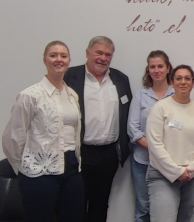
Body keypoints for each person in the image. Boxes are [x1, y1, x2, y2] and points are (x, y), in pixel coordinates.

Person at [2, 41, 84, 222]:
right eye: (53, 55)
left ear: (69, 61)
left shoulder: (72, 95)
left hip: (71, 167)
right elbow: (13, 136)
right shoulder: (30, 95)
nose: (59, 59)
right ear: (45, 60)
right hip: (40, 172)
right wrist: (23, 166)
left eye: (63, 56)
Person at [63, 36, 133, 222]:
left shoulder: (120, 79)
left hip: (109, 154)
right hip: (79, 152)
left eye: (108, 54)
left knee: (100, 204)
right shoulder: (70, 76)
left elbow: (127, 112)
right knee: (75, 203)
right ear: (87, 53)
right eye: (99, 53)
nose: (103, 58)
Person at [146, 65, 194, 222]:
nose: (183, 82)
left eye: (187, 78)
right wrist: (176, 171)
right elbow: (155, 144)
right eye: (179, 78)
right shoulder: (160, 108)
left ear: (193, 83)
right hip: (163, 175)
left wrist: (191, 169)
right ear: (172, 82)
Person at [128, 50, 174, 222]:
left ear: (168, 68)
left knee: (166, 207)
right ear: (148, 70)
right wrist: (154, 148)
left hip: (169, 162)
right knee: (143, 207)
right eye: (152, 67)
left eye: (160, 66)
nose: (156, 70)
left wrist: (162, 153)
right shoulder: (141, 95)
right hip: (143, 161)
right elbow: (132, 128)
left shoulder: (176, 94)